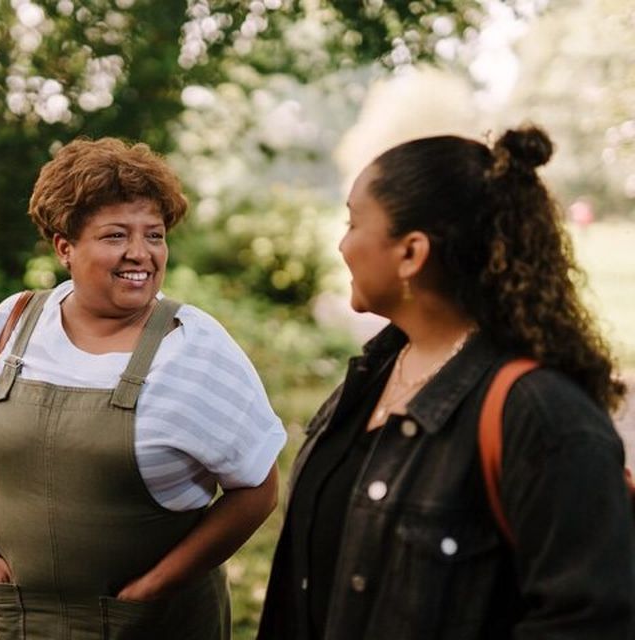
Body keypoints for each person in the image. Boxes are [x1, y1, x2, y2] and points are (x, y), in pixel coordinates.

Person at [257, 125, 635, 639]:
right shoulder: (373, 374)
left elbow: (590, 621)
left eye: (352, 223)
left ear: (411, 253)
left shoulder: (542, 416)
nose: (342, 244)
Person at [0, 137, 286, 639]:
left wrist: (152, 588)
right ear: (65, 247)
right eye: (115, 235)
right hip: (15, 625)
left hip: (149, 627)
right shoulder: (13, 326)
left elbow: (258, 488)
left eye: (155, 235)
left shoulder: (193, 349)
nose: (140, 253)